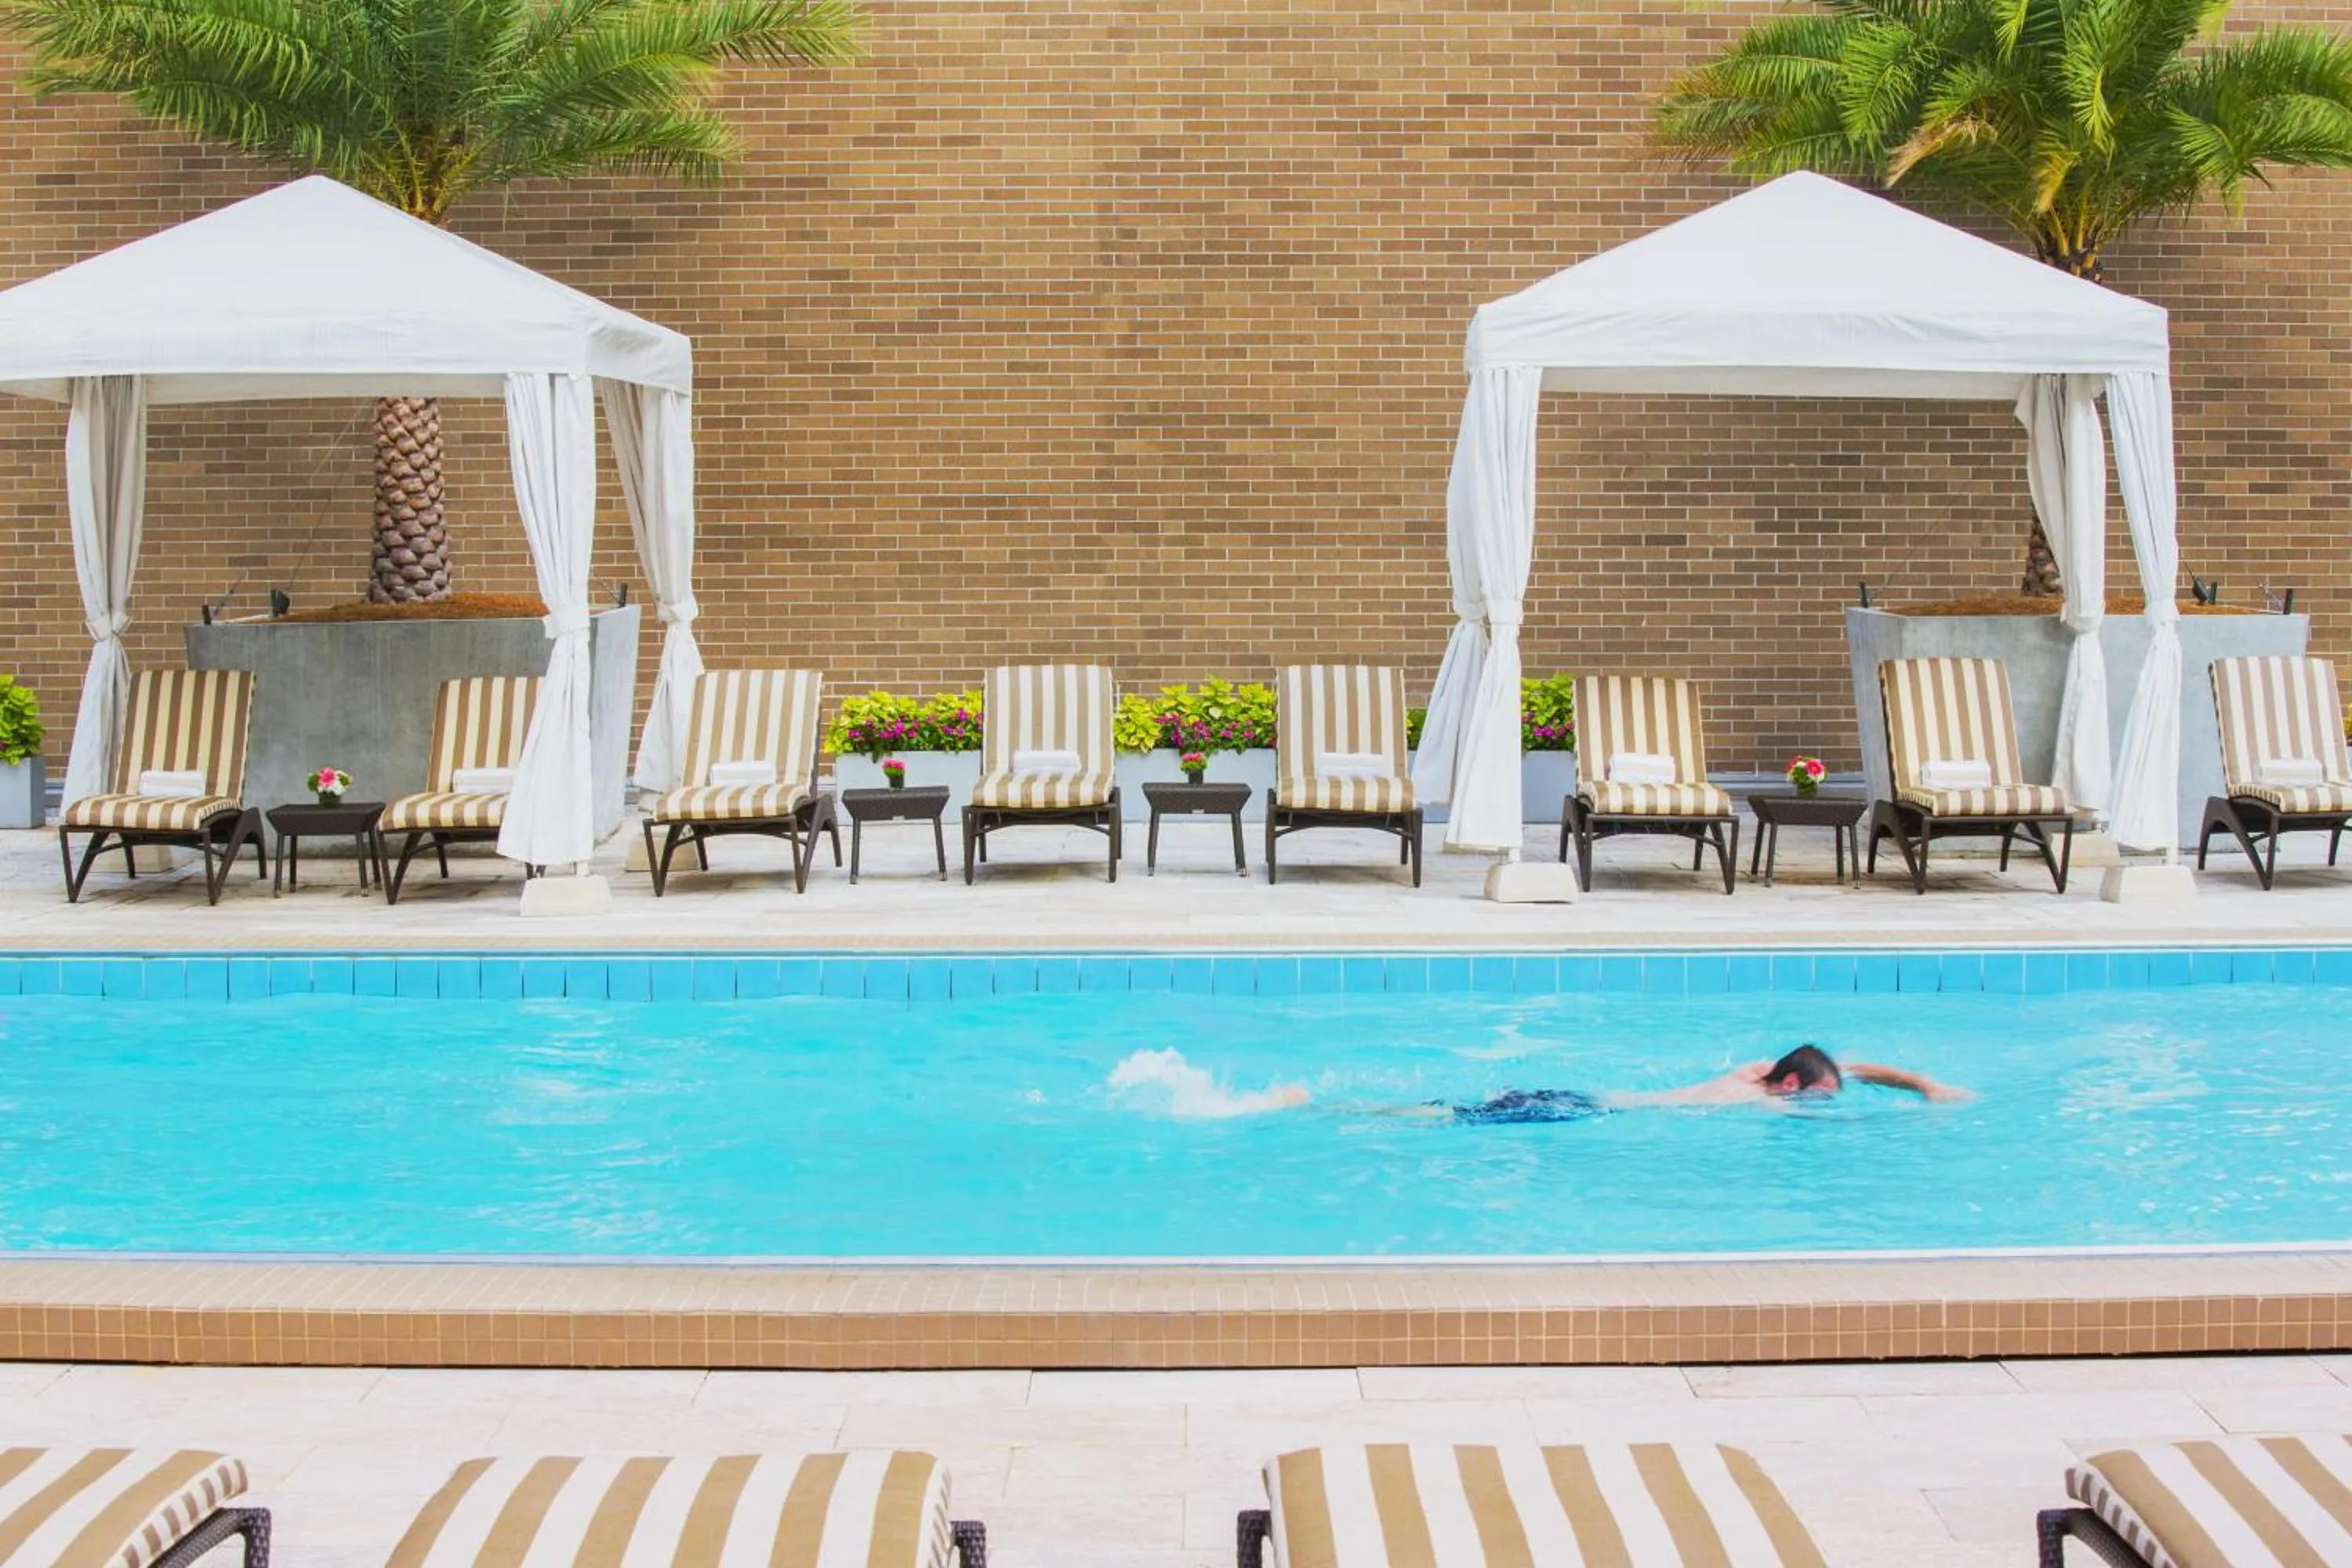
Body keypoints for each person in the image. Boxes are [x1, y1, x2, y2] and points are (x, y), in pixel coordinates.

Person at [1377, 1044, 1969, 1125]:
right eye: (1817, 1095)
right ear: (1792, 1083)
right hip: (1579, 1111)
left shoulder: (1761, 1072)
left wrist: (1922, 1083)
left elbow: (1855, 1066)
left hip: (1587, 1103)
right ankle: (1358, 1111)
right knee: (1454, 1118)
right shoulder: (1756, 1098)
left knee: (1465, 1113)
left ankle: (1369, 1108)